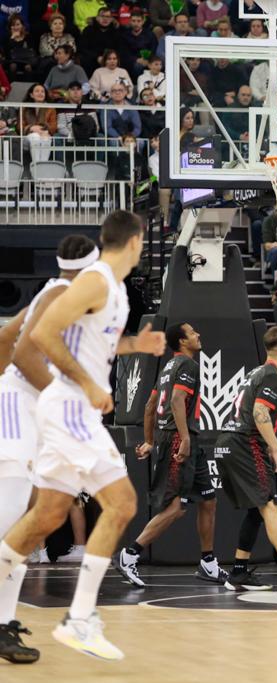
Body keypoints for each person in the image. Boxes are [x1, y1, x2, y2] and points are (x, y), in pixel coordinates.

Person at [0, 212, 166, 661]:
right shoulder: (94, 280)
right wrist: (88, 385)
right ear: (135, 242)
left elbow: (91, 342)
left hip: (65, 409)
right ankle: (79, 620)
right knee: (123, 503)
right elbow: (40, 333)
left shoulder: (112, 291)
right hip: (69, 407)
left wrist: (135, 346)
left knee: (44, 517)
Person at [0, 234, 98, 664]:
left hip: (20, 411)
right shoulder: (62, 295)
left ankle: (2, 626)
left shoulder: (50, 295)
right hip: (19, 415)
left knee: (24, 530)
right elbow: (20, 353)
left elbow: (6, 337)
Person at [115, 323, 224, 588]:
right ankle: (130, 555)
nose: (199, 334)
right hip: (179, 438)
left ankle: (208, 563)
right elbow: (176, 401)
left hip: (177, 438)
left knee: (209, 501)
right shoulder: (187, 366)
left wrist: (151, 441)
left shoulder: (166, 368)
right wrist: (184, 438)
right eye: (193, 332)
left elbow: (151, 406)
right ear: (183, 342)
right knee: (176, 507)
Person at [217, 326, 277, 593]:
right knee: (271, 506)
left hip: (227, 442)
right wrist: (276, 449)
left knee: (257, 510)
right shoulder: (273, 376)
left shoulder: (256, 372)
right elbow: (260, 412)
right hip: (244, 442)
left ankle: (238, 572)